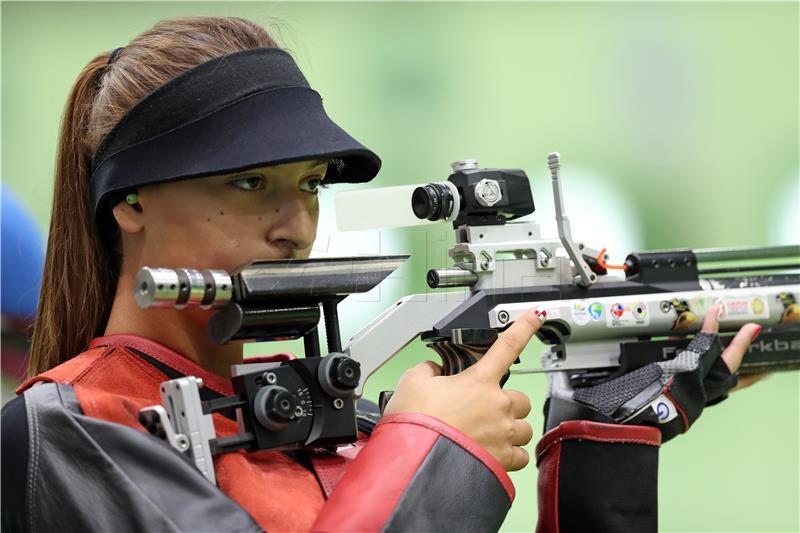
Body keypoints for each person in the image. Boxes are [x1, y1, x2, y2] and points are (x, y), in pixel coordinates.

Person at [0, 15, 762, 533]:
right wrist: (435, 445)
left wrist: (606, 436)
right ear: (129, 202)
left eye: (308, 183)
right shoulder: (71, 425)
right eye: (247, 183)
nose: (294, 224)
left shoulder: (344, 429)